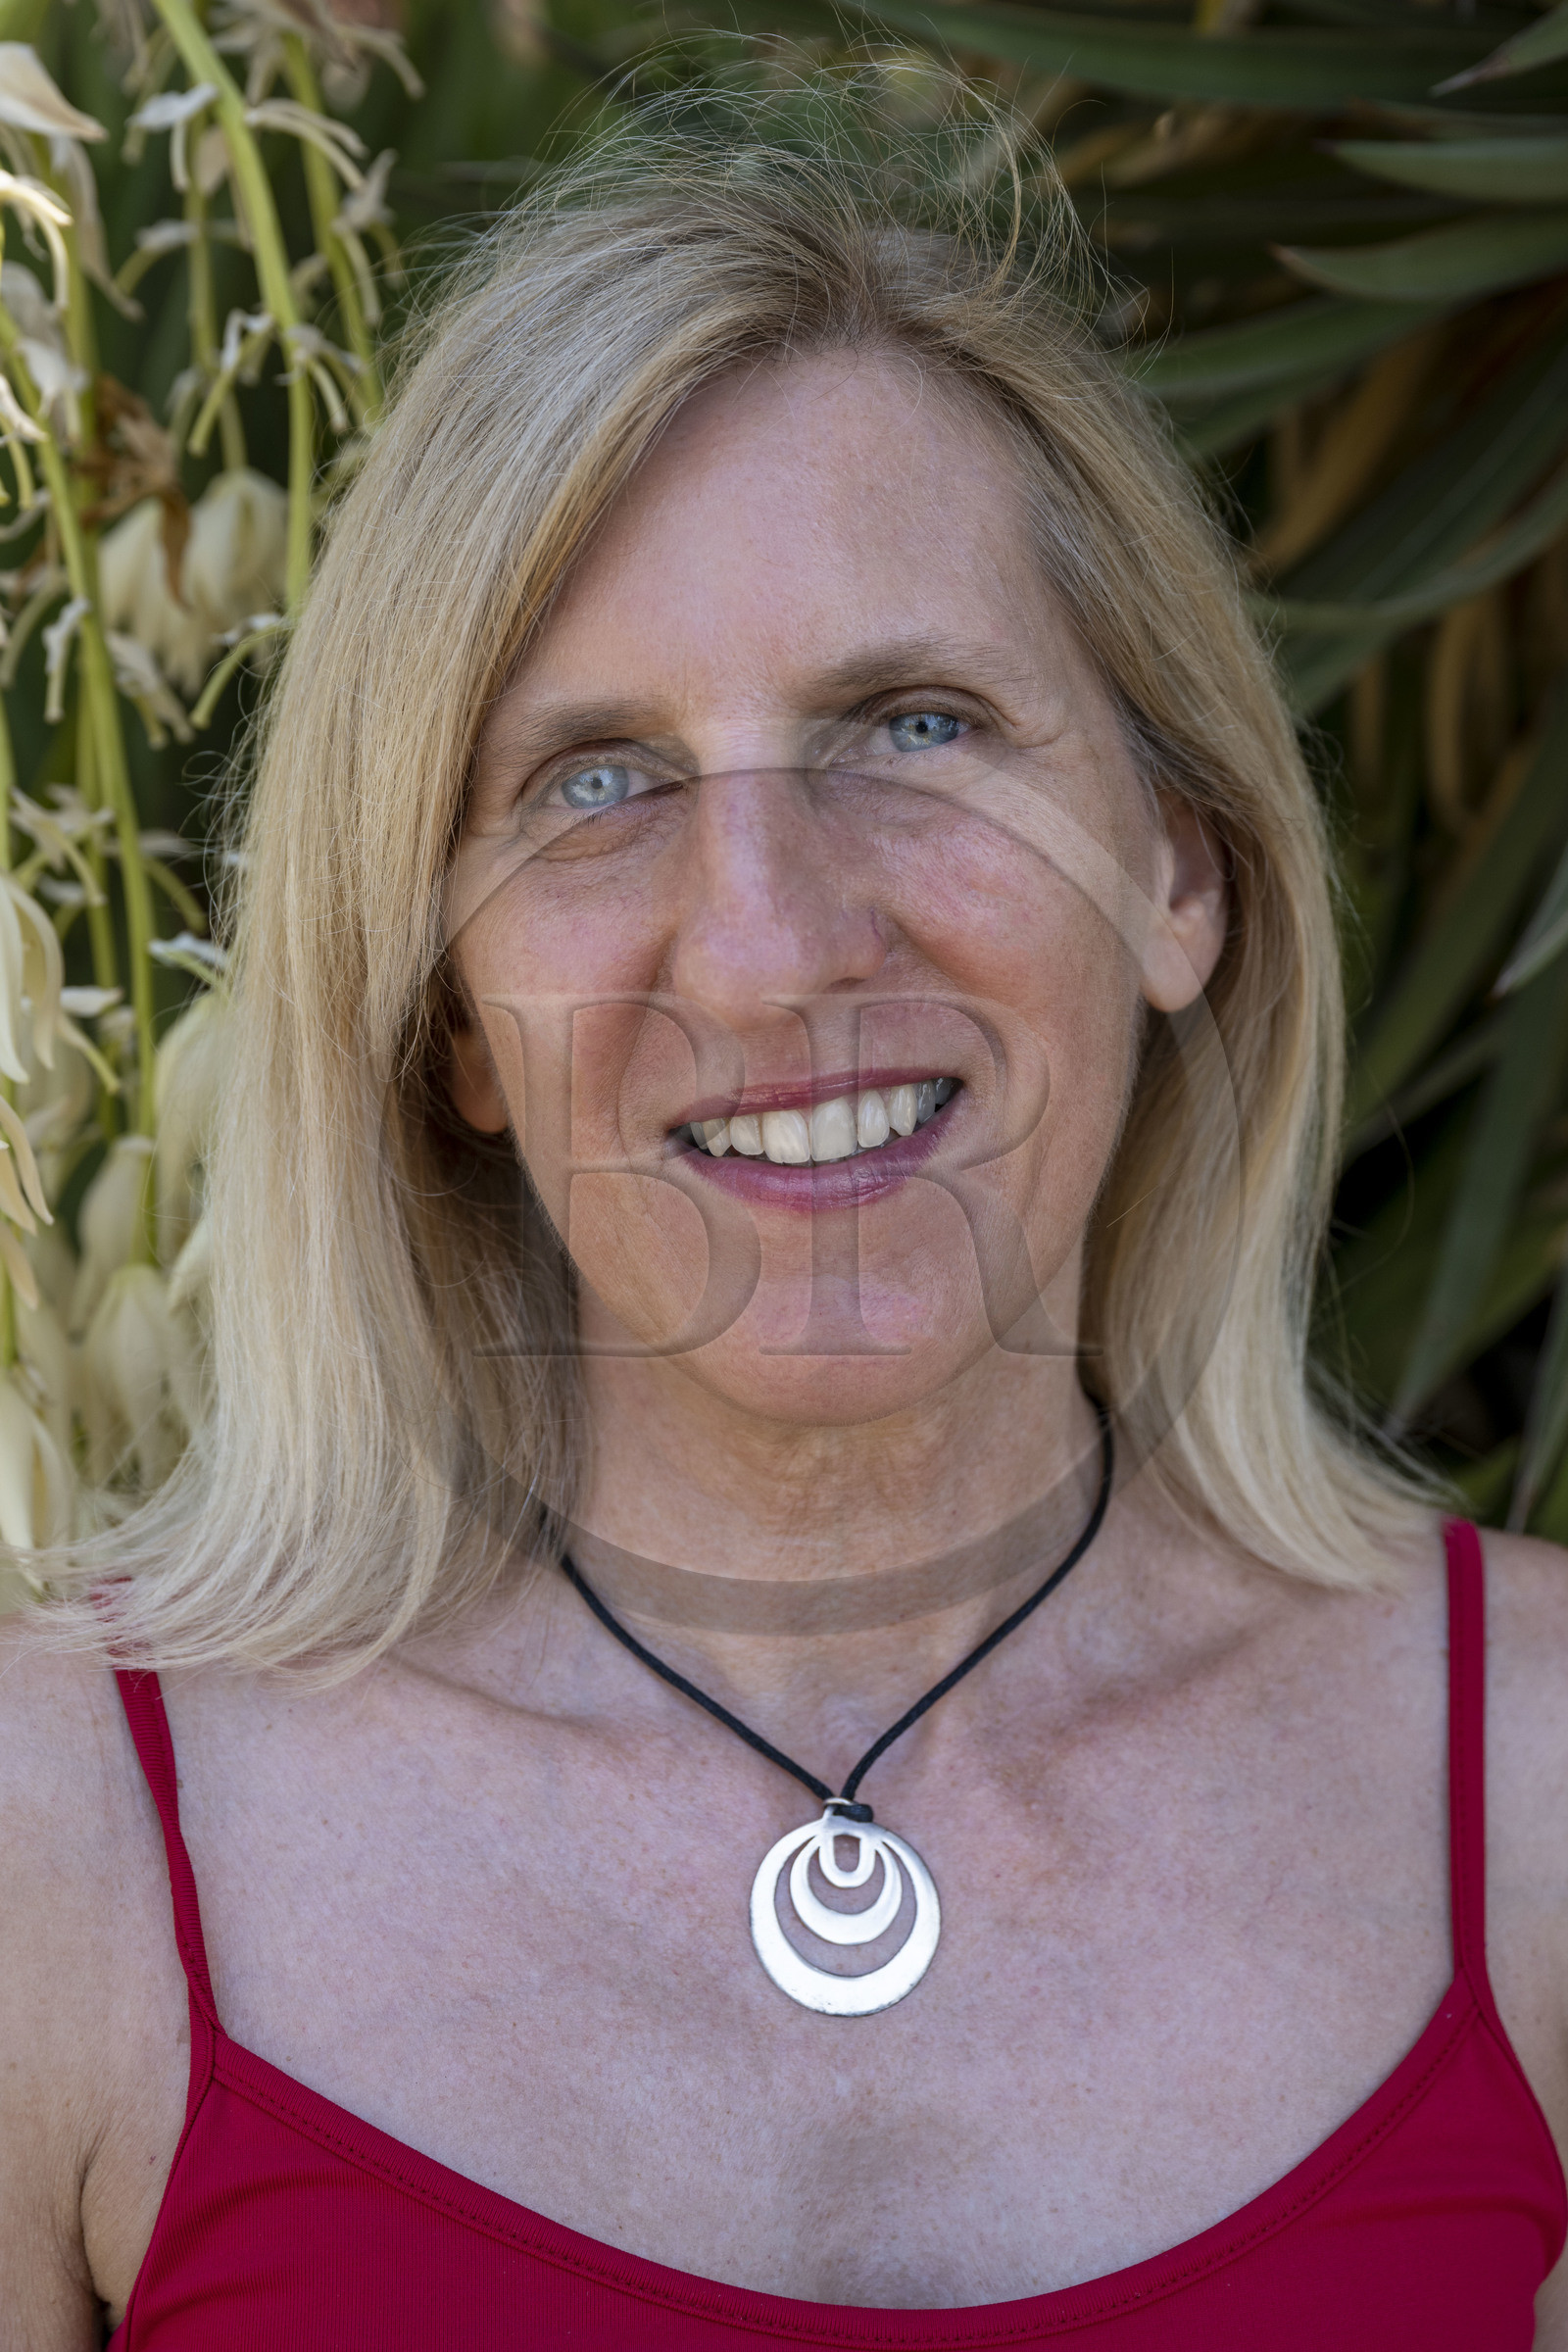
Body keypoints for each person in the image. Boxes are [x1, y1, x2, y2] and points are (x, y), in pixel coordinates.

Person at [3, 102, 1567, 2350]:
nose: (761, 946)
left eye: (911, 725)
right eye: (596, 784)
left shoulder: (1523, 1781)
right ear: (443, 1014)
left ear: (1175, 871)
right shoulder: (54, 1847)